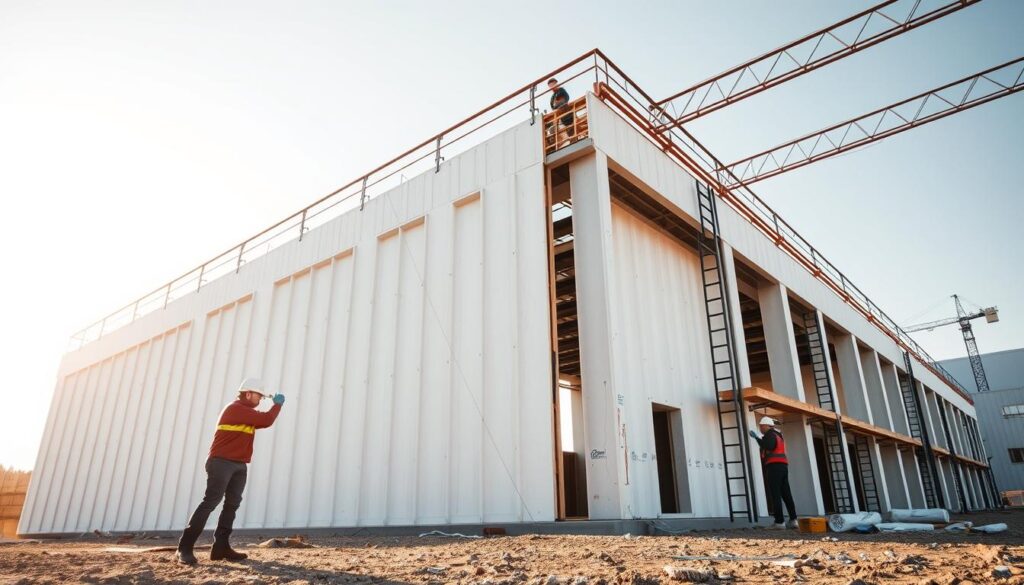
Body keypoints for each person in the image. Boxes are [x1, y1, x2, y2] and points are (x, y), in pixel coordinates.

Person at [176, 378, 285, 565]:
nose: (260, 400)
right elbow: (267, 420)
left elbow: (263, 421)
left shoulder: (247, 413)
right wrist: (277, 405)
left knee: (232, 504)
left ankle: (220, 548)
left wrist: (272, 408)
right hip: (221, 462)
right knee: (211, 502)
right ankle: (184, 548)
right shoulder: (235, 409)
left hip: (239, 464)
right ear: (248, 393)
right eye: (259, 396)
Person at [749, 415, 798, 529]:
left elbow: (769, 446)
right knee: (786, 494)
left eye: (761, 426)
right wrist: (758, 438)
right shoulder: (778, 435)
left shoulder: (769, 435)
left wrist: (757, 438)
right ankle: (793, 520)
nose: (760, 428)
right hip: (782, 466)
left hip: (774, 467)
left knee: (775, 494)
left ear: (767, 426)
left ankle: (779, 522)